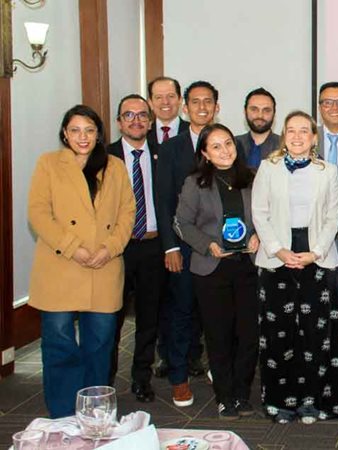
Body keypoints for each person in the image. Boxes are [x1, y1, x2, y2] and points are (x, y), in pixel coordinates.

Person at [27, 104, 135, 418]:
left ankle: (95, 411)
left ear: (99, 134)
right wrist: (72, 247)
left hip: (104, 265)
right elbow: (38, 213)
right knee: (59, 342)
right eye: (75, 130)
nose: (82, 137)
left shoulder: (114, 166)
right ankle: (63, 413)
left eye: (89, 130)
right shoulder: (48, 163)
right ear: (65, 133)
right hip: (61, 265)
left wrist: (110, 248)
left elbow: (127, 212)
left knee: (100, 344)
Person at [252, 111, 338, 424]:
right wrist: (278, 250)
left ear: (314, 137)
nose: (297, 136)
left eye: (304, 131)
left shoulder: (328, 171)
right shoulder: (268, 167)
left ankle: (312, 402)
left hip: (316, 256)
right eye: (291, 130)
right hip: (276, 256)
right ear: (284, 135)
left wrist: (315, 252)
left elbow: (333, 217)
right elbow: (259, 213)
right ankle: (279, 402)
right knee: (278, 335)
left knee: (315, 335)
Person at [174, 123, 260, 420]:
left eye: (228, 143)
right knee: (219, 335)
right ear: (205, 154)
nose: (225, 151)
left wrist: (258, 235)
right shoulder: (195, 183)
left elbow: (267, 215)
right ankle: (225, 397)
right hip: (212, 269)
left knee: (248, 335)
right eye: (216, 146)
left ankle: (242, 393)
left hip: (247, 266)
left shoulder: (252, 178)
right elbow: (181, 223)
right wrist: (207, 245)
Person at [155, 80, 221, 406]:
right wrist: (169, 246)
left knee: (217, 314)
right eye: (196, 102)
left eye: (208, 102)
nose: (202, 107)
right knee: (181, 312)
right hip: (182, 245)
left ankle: (218, 369)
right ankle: (179, 378)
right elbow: (163, 200)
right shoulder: (171, 148)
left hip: (219, 248)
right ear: (185, 107)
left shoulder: (225, 143)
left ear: (217, 107)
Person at [106, 95, 167, 402]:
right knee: (111, 318)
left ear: (150, 121)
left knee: (148, 318)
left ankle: (141, 378)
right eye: (128, 115)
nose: (136, 120)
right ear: (119, 122)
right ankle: (105, 380)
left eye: (142, 115)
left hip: (153, 247)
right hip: (115, 250)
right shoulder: (105, 157)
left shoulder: (162, 154)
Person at [146, 76, 189, 380]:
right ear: (151, 101)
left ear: (179, 100)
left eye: (171, 96)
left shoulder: (194, 134)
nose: (165, 102)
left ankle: (189, 355)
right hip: (149, 235)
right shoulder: (139, 134)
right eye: (158, 97)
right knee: (158, 301)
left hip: (186, 235)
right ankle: (163, 356)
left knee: (185, 299)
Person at [236, 87, 280, 171]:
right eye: (254, 109)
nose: (260, 115)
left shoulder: (285, 147)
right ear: (245, 111)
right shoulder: (232, 145)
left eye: (266, 110)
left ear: (274, 114)